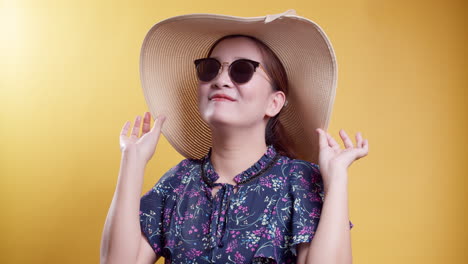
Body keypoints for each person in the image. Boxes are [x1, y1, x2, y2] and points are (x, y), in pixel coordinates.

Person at [100, 10, 369, 264]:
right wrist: (132, 162)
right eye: (210, 69)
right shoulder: (177, 183)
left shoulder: (299, 181)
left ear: (274, 103)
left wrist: (336, 181)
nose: (221, 80)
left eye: (242, 70)